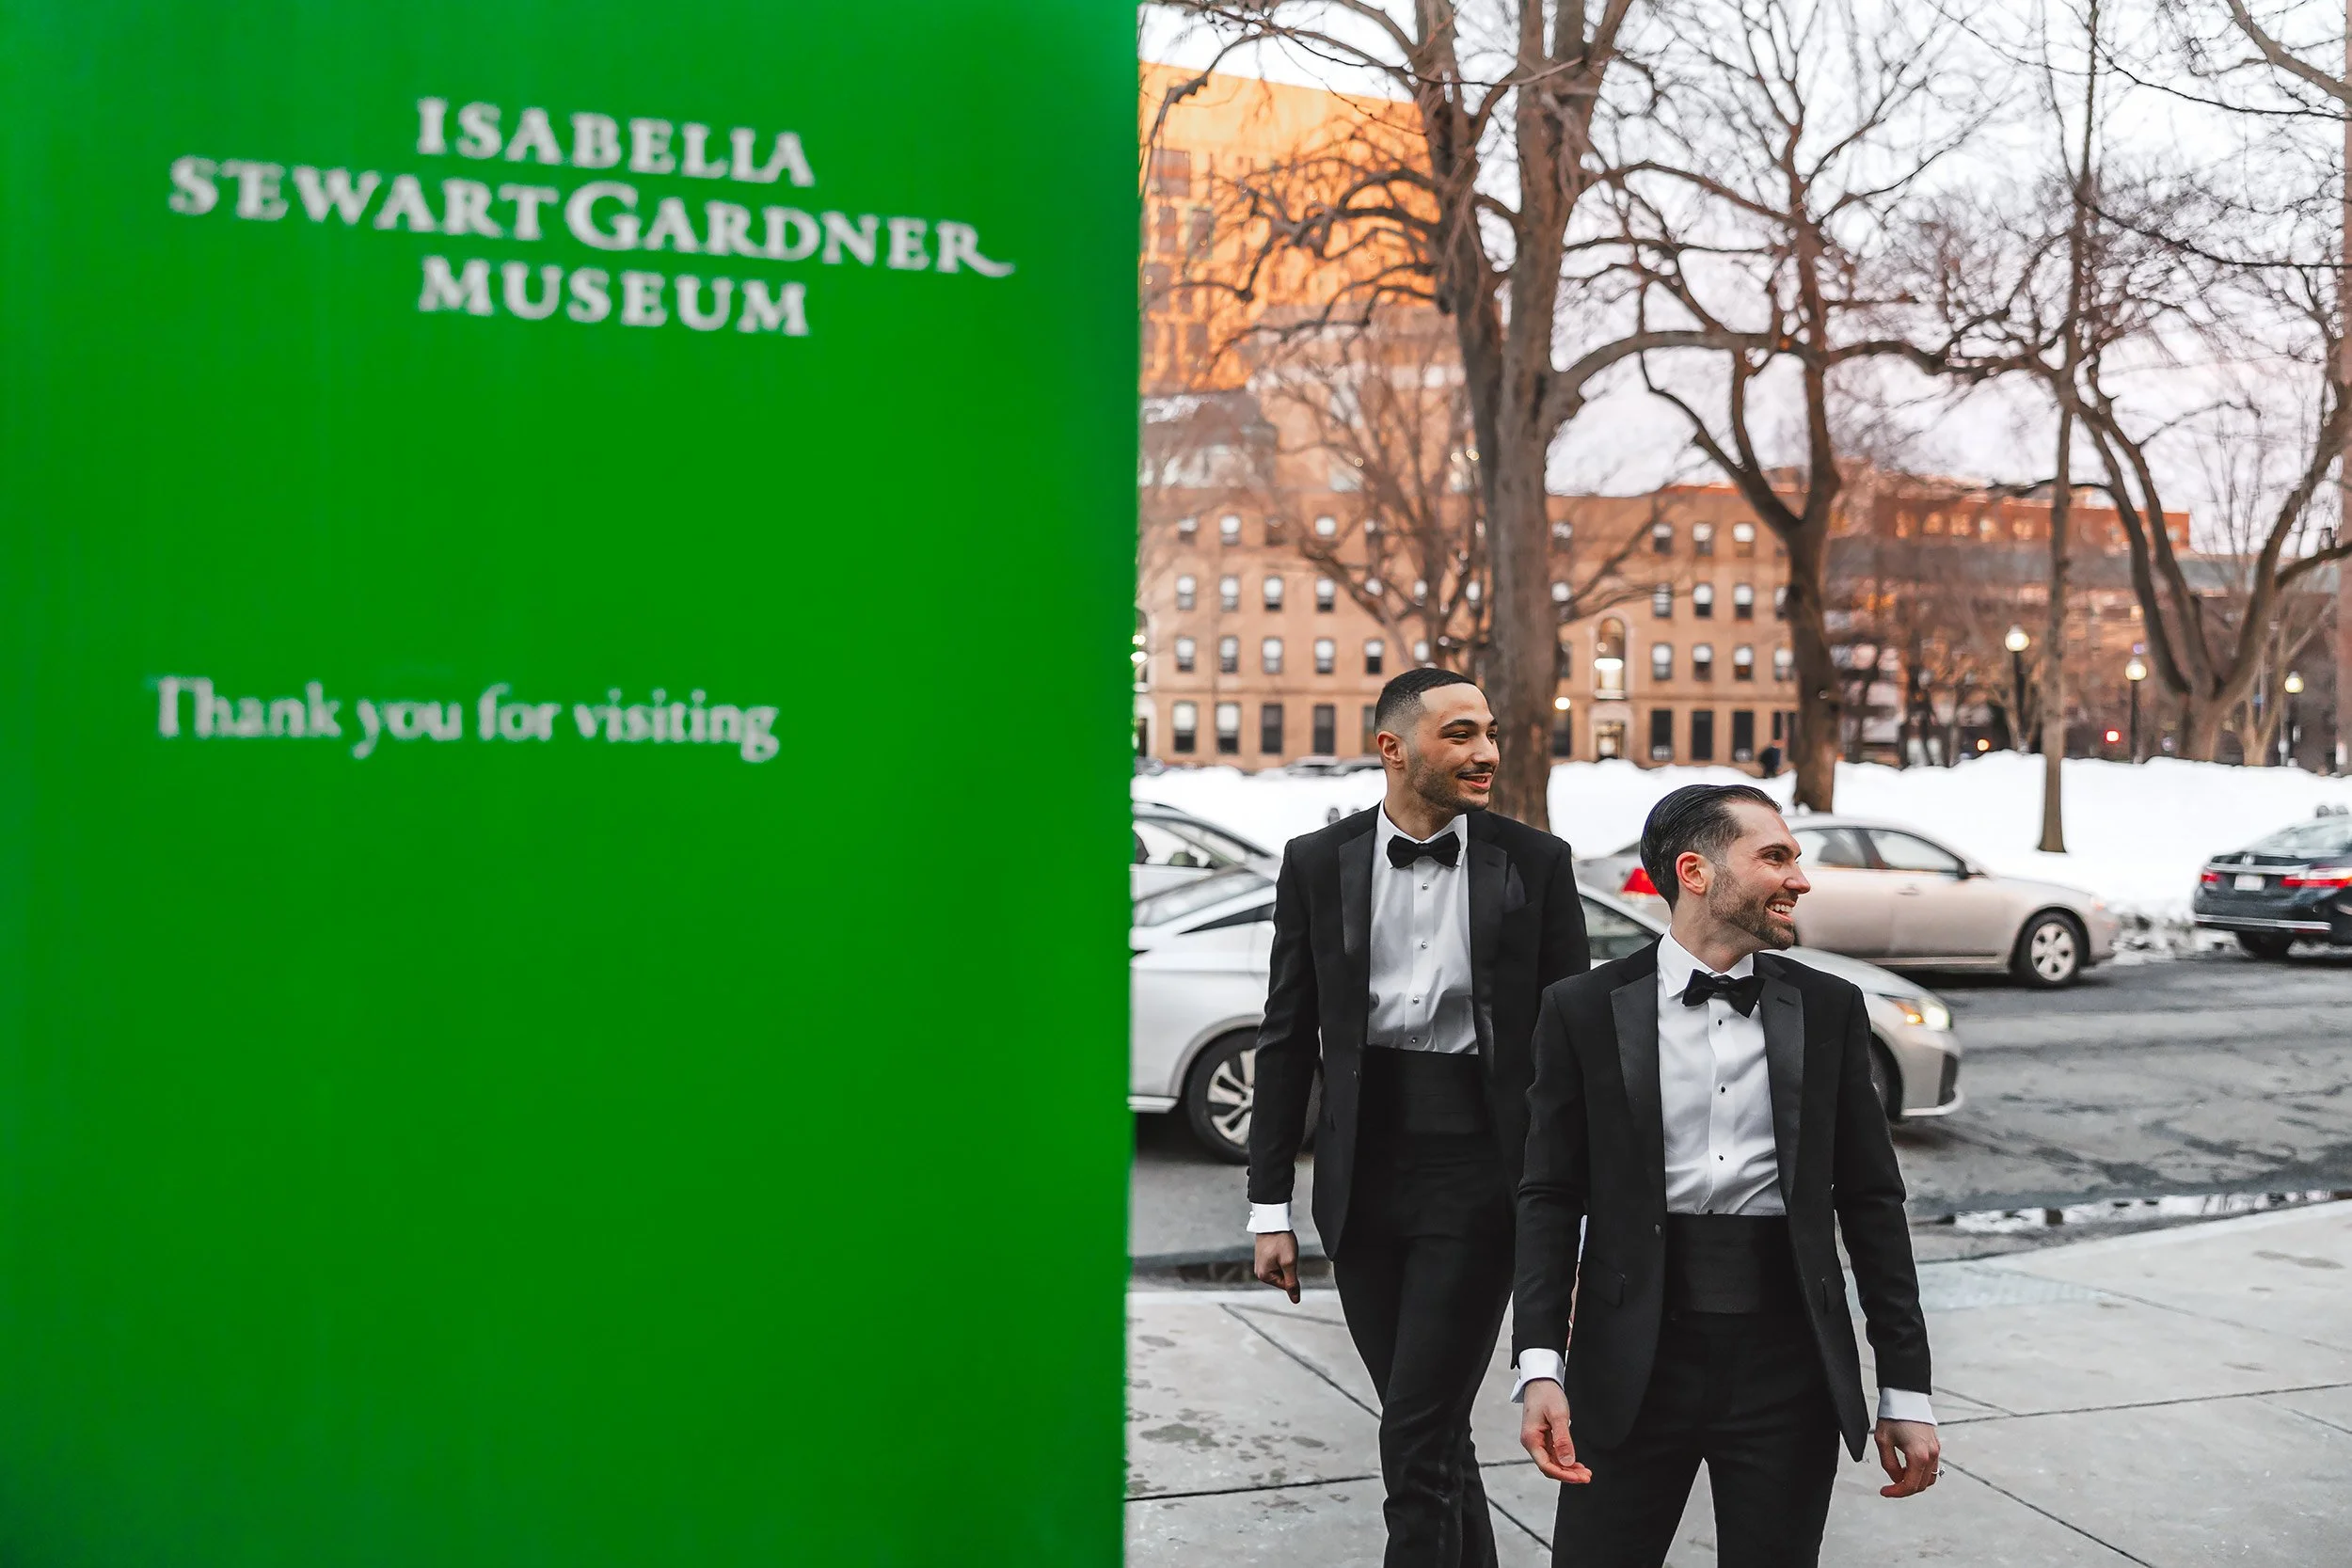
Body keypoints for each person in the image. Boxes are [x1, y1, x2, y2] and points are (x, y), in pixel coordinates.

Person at [1512, 784, 1938, 1568]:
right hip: (1631, 1363)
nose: (1799, 878)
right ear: (1696, 871)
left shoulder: (1830, 1007)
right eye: (1774, 856)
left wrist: (1905, 1387)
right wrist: (1540, 1363)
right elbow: (1549, 1194)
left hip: (1789, 1365)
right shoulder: (1582, 1008)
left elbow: (1872, 1202)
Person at [1249, 669, 1591, 1568]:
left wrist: (1567, 1208)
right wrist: (1269, 1205)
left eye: (1490, 732)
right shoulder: (1317, 862)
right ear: (1394, 749)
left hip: (1480, 1176)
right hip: (1361, 1179)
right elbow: (1286, 1037)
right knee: (1429, 1427)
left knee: (1413, 1431)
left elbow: (1571, 1053)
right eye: (1460, 734)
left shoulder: (1535, 862)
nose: (1486, 753)